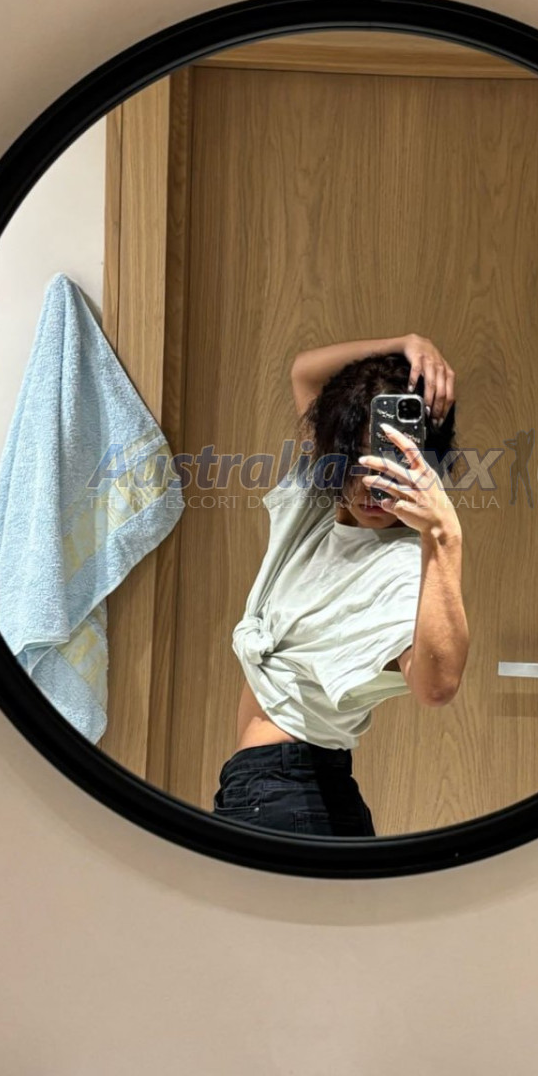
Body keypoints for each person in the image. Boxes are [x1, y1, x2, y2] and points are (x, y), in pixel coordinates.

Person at [211, 333, 470, 837]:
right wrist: (407, 343)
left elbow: (436, 688)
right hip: (294, 796)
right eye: (359, 460)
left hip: (286, 797)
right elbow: (304, 372)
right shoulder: (316, 505)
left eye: (392, 462)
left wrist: (443, 536)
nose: (371, 484)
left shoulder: (404, 567)